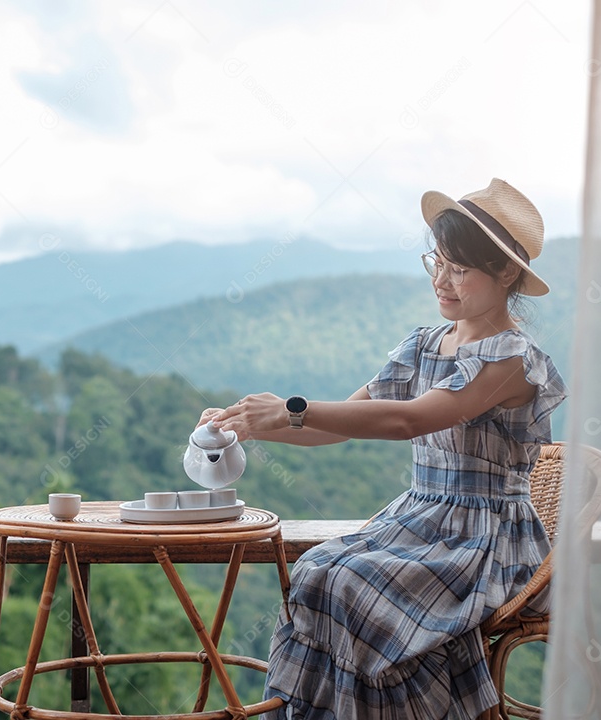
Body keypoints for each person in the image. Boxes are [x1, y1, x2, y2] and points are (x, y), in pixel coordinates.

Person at [199, 178, 567, 719]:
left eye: (459, 269)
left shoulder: (511, 357)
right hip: (420, 520)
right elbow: (339, 426)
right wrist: (251, 426)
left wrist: (291, 407)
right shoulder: (423, 344)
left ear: (506, 272)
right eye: (435, 262)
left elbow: (406, 420)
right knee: (316, 571)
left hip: (487, 537)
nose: (442, 281)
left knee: (356, 588)